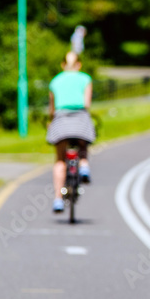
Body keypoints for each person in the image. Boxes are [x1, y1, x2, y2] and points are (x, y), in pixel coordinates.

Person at [47, 52, 95, 213]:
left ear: (62, 65)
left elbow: (52, 109)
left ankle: (58, 199)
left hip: (61, 119)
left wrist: (50, 121)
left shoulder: (55, 81)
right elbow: (86, 104)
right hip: (80, 117)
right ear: (79, 65)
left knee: (60, 159)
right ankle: (84, 166)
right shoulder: (85, 79)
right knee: (83, 146)